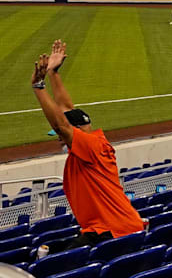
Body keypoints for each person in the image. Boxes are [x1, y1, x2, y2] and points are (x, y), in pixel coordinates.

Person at [31, 41, 143, 249]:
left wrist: (39, 86)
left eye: (61, 136)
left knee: (53, 262)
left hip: (111, 232)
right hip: (120, 227)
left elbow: (61, 124)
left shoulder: (89, 146)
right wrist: (54, 74)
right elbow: (67, 110)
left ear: (76, 132)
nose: (58, 139)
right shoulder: (93, 140)